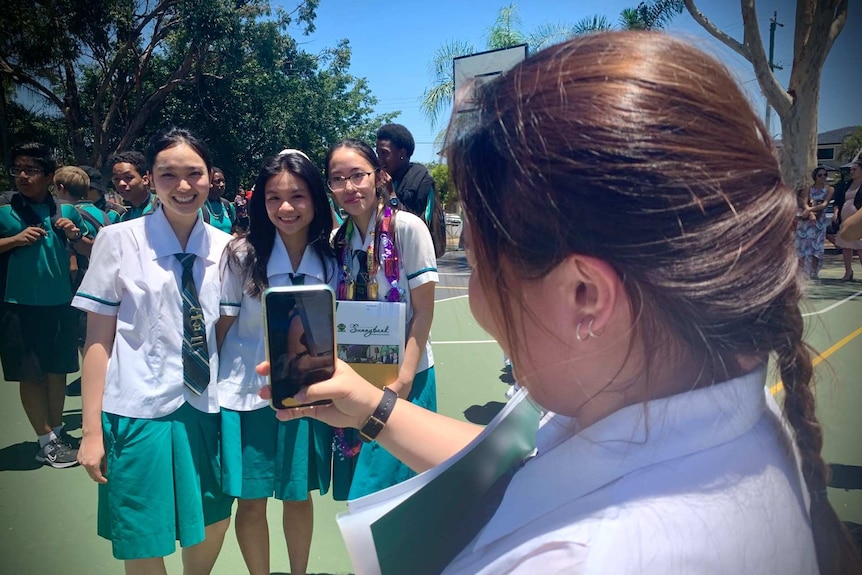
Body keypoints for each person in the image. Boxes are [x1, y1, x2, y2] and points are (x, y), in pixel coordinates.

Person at [265, 32, 862, 574]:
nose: (472, 300)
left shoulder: (584, 557)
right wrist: (370, 405)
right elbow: (527, 467)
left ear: (585, 296)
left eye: (477, 263)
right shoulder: (685, 390)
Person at [73, 128, 233, 573]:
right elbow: (98, 340)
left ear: (209, 177)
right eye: (169, 174)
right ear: (151, 179)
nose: (183, 186)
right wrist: (91, 431)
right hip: (137, 407)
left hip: (206, 406)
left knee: (215, 517)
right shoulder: (118, 240)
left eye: (193, 174)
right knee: (142, 530)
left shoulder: (228, 249)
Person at [216, 150, 336, 575]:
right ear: (259, 202)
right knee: (251, 500)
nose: (285, 208)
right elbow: (223, 328)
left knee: (297, 494)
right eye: (273, 198)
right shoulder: (241, 255)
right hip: (248, 396)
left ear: (316, 200)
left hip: (308, 392)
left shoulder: (330, 257)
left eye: (298, 196)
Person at [325, 139, 438, 500]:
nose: (349, 187)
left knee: (396, 491)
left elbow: (424, 312)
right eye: (338, 179)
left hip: (406, 380)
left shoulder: (407, 228)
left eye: (358, 175)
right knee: (365, 499)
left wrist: (402, 380)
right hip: (356, 382)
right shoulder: (336, 241)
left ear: (379, 176)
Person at [0, 143, 90, 469]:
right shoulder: (4, 209)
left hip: (60, 304)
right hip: (17, 306)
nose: (23, 176)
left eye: (31, 170)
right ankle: (45, 441)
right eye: (18, 169)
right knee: (31, 374)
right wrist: (14, 240)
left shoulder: (65, 211)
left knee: (57, 371)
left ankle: (58, 432)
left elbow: (86, 248)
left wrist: (75, 233)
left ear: (50, 176)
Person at [376, 124, 446, 257]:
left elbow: (415, 227)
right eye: (378, 153)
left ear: (402, 153)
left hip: (414, 258)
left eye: (384, 153)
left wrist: (390, 194)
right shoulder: (379, 178)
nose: (379, 159)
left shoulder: (421, 182)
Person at [794, 167, 834, 278]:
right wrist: (809, 212)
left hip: (819, 222)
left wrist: (810, 210)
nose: (823, 177)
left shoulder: (829, 189)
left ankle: (813, 271)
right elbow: (804, 202)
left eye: (825, 174)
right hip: (806, 222)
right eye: (820, 175)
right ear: (815, 177)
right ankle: (800, 271)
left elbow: (825, 204)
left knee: (817, 247)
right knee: (802, 246)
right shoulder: (809, 189)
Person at [107, 150, 158, 220]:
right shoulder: (123, 218)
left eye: (128, 177)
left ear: (145, 180)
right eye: (116, 179)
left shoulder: (162, 209)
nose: (121, 183)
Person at [834, 159, 862, 281]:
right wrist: (836, 213)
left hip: (858, 222)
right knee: (846, 246)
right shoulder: (846, 184)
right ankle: (848, 271)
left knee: (860, 247)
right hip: (845, 220)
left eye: (855, 169)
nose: (852, 171)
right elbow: (838, 201)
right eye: (851, 169)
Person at [203, 167, 236, 234]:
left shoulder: (227, 205)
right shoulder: (200, 207)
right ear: (209, 183)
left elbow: (234, 230)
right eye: (217, 181)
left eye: (223, 181)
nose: (222, 185)